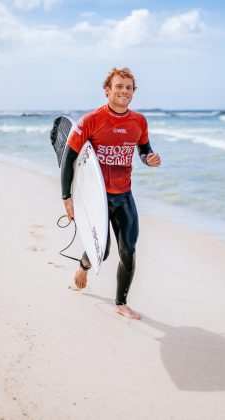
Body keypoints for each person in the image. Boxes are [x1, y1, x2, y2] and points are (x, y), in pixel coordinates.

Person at [60, 67, 161, 320]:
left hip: (123, 194)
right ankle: (83, 266)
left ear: (133, 92)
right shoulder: (91, 120)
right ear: (108, 90)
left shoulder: (139, 121)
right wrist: (67, 198)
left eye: (128, 88)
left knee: (128, 249)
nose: (123, 91)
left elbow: (143, 149)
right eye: (119, 86)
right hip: (96, 197)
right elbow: (68, 159)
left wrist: (149, 159)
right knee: (101, 251)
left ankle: (121, 303)